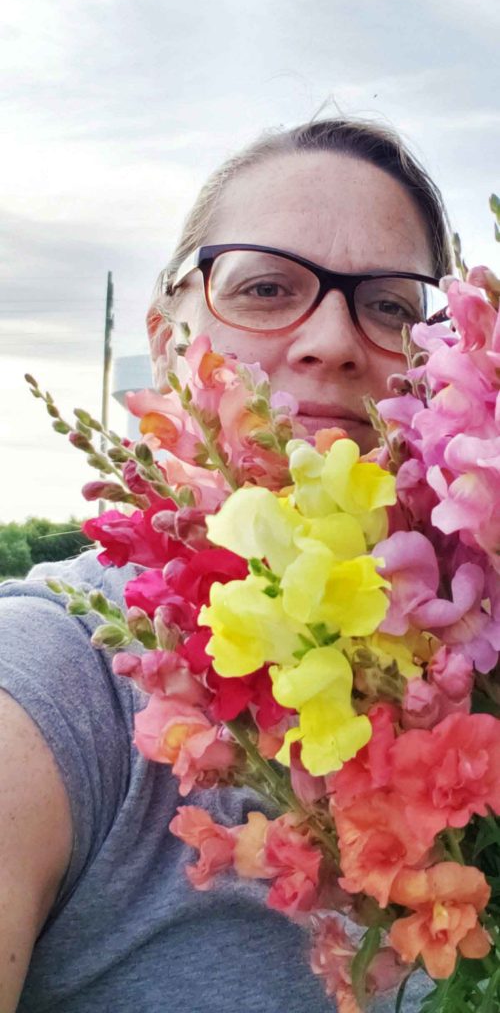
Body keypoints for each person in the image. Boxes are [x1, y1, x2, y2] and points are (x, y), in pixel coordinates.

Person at [0, 117, 452, 1013]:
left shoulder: (466, 657)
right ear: (169, 340)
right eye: (266, 286)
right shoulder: (62, 682)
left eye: (393, 305)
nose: (333, 338)